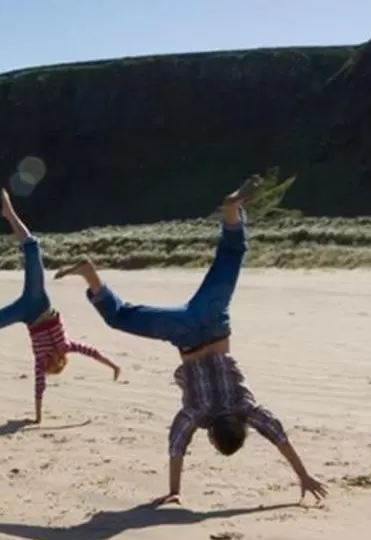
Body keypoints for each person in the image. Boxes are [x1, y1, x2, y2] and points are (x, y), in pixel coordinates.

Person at [56, 175, 327, 506]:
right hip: (183, 333)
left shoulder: (246, 409)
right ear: (212, 437)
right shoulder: (197, 414)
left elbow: (279, 436)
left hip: (212, 321)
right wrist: (174, 492)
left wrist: (304, 475)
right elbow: (177, 446)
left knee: (230, 257)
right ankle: (90, 274)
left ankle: (231, 211)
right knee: (120, 316)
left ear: (241, 427)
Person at [0, 186, 119, 423]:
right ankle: (9, 214)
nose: (46, 368)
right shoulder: (66, 347)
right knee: (32, 246)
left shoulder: (43, 359)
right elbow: (92, 353)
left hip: (27, 312)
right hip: (37, 302)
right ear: (58, 362)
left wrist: (38, 418)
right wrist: (112, 366)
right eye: (51, 367)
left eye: (47, 369)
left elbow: (39, 390)